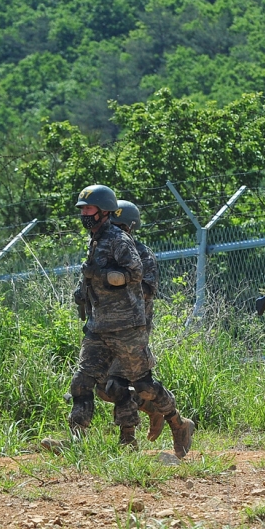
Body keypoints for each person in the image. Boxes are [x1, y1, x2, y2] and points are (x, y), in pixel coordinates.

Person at [64, 186, 194, 456]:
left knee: (143, 385)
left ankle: (177, 423)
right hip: (99, 327)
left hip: (127, 327)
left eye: (88, 209)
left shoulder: (118, 239)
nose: (84, 214)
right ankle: (76, 442)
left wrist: (101, 274)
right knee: (82, 382)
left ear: (103, 211)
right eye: (83, 209)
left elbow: (134, 273)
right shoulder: (95, 240)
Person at [112, 200, 191, 449]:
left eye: (120, 226)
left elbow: (147, 289)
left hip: (134, 328)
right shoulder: (104, 252)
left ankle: (136, 436)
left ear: (130, 227)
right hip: (107, 328)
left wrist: (117, 282)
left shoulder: (141, 254)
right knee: (107, 387)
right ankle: (154, 413)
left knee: (128, 383)